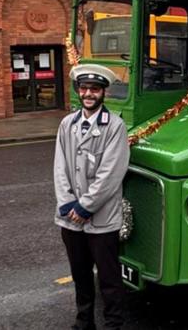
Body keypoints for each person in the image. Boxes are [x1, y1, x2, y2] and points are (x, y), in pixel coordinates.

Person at [54, 64, 129, 330]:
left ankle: (113, 324)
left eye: (94, 89)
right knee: (81, 275)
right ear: (78, 91)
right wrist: (67, 203)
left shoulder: (115, 127)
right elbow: (60, 166)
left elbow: (111, 173)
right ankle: (83, 322)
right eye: (84, 88)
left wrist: (85, 206)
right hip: (70, 217)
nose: (88, 93)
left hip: (101, 218)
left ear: (103, 93)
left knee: (108, 278)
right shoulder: (67, 124)